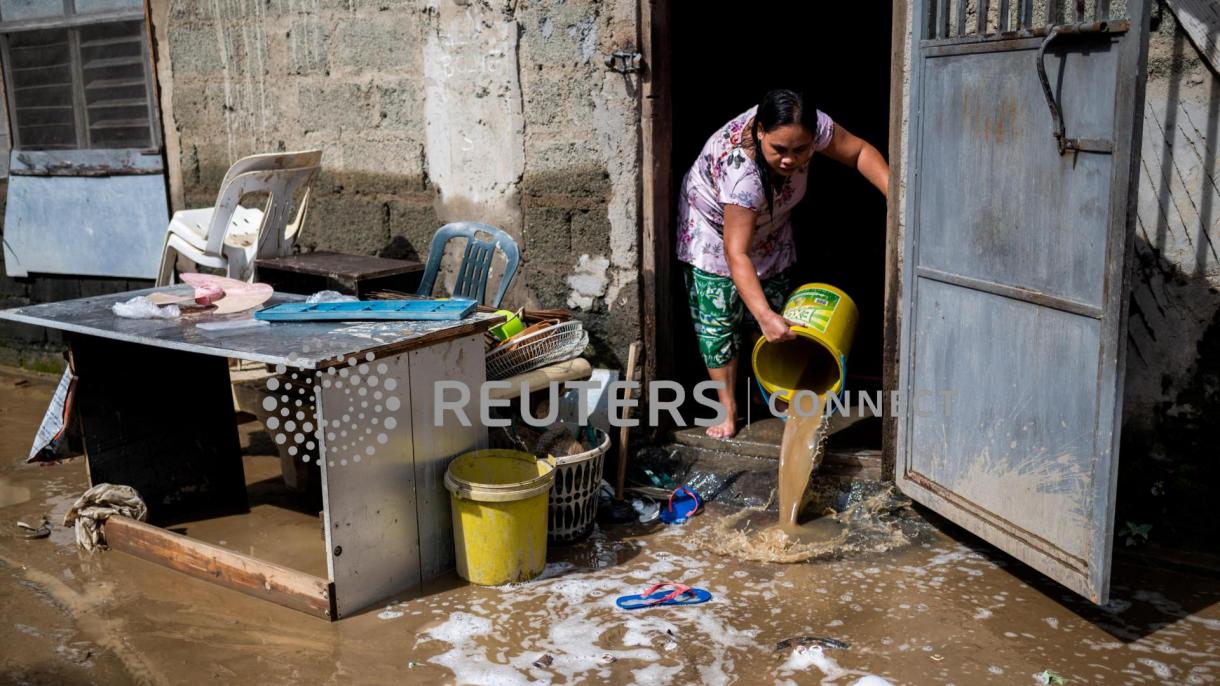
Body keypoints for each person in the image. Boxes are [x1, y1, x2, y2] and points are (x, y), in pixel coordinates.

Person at [676, 89, 889, 438]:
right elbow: (736, 255)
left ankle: (770, 392)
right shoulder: (740, 172)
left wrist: (896, 195)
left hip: (769, 226)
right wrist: (763, 317)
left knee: (776, 309)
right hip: (714, 231)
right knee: (721, 323)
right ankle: (728, 411)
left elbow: (861, 152)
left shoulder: (814, 127)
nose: (790, 160)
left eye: (800, 150)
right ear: (760, 131)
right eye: (779, 150)